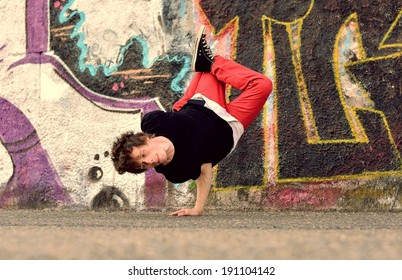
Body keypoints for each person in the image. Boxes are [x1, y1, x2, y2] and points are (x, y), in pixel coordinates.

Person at [111, 25, 273, 216]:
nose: (150, 161)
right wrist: (197, 209)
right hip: (230, 126)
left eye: (144, 154)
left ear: (145, 139)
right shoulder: (175, 171)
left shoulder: (153, 122)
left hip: (203, 103)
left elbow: (178, 113)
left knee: (208, 68)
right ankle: (206, 65)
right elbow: (205, 172)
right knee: (263, 85)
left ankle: (207, 65)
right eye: (144, 165)